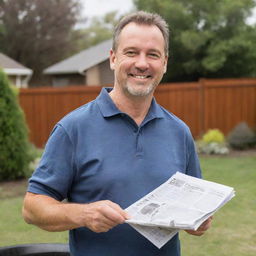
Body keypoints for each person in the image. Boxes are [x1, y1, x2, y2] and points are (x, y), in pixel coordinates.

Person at [23, 11, 212, 256]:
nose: (142, 63)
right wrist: (84, 214)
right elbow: (32, 207)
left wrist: (199, 221)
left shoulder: (179, 132)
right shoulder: (73, 129)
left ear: (164, 63)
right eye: (131, 52)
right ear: (113, 58)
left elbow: (194, 207)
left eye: (152, 54)